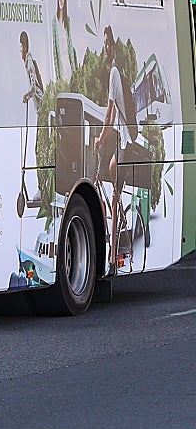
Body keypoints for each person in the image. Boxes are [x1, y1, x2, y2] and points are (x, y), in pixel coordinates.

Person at [93, 26, 129, 273]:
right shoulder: (115, 73)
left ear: (113, 46)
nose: (106, 48)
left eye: (108, 44)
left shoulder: (114, 73)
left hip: (126, 142)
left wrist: (100, 138)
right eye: (104, 44)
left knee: (114, 197)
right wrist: (105, 138)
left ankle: (112, 257)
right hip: (122, 141)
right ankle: (118, 217)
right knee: (110, 167)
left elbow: (108, 115)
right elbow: (114, 113)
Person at [51, 0, 79, 83]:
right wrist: (58, 77)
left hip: (70, 71)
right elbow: (55, 51)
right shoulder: (54, 22)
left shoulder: (67, 21)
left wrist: (74, 72)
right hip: (62, 73)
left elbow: (70, 47)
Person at [20, 31, 44, 113]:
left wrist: (27, 96)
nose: (20, 50)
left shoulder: (29, 63)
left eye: (21, 46)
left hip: (40, 102)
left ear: (25, 47)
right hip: (39, 104)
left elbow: (33, 88)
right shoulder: (28, 62)